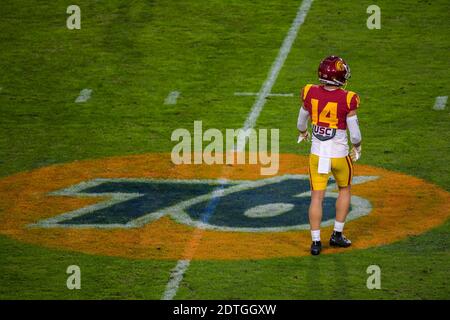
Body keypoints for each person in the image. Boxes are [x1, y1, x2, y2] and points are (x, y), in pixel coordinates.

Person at [297, 55, 362, 256]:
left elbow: (301, 122)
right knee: (344, 189)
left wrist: (303, 132)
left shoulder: (310, 92)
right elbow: (356, 134)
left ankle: (316, 242)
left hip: (317, 154)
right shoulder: (348, 98)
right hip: (339, 155)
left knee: (316, 197)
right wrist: (357, 146)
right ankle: (337, 235)